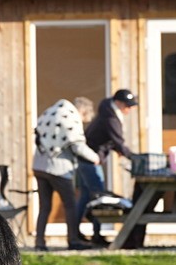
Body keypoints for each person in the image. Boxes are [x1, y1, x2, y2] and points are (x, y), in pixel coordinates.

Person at [74, 88, 138, 246]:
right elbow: (118, 142)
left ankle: (75, 233)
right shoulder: (111, 118)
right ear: (119, 103)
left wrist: (119, 150)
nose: (129, 109)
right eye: (128, 106)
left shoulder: (107, 112)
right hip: (90, 161)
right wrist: (134, 158)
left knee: (85, 197)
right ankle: (95, 236)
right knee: (99, 198)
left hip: (85, 160)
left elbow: (111, 141)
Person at [32, 97, 98, 251]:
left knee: (44, 207)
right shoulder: (69, 116)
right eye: (85, 117)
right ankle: (73, 240)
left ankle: (39, 242)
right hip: (58, 168)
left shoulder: (50, 112)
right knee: (70, 205)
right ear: (83, 111)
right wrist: (95, 158)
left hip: (39, 165)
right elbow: (77, 146)